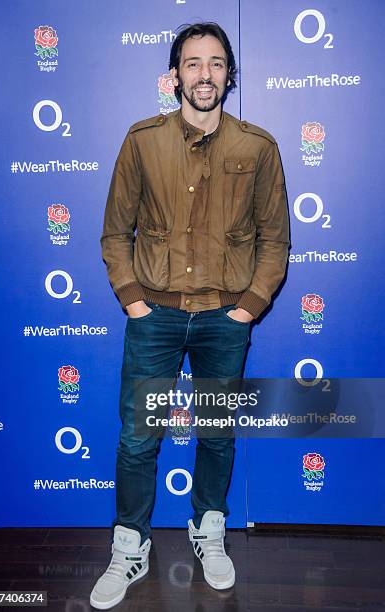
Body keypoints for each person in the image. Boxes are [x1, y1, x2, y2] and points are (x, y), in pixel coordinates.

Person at [90, 22, 289, 609]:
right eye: (193, 63)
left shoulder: (257, 147)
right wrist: (132, 297)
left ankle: (210, 531)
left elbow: (275, 241)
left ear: (230, 74)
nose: (205, 75)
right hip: (154, 315)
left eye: (217, 64)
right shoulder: (142, 141)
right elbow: (113, 231)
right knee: (137, 438)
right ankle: (130, 545)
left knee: (217, 435)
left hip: (225, 318)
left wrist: (249, 307)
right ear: (174, 74)